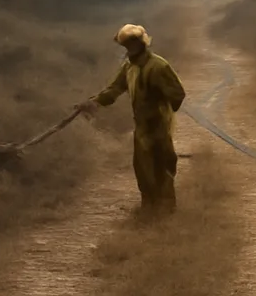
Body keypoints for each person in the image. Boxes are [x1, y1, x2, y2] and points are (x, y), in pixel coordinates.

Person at [77, 24, 186, 214]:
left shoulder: (158, 66)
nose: (130, 47)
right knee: (143, 167)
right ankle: (149, 209)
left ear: (142, 42)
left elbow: (178, 94)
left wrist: (164, 110)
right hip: (142, 124)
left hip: (158, 122)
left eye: (133, 42)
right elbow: (114, 89)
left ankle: (167, 211)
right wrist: (94, 102)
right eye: (127, 44)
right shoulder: (129, 67)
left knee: (163, 164)